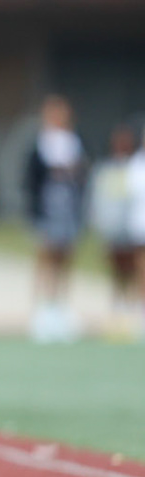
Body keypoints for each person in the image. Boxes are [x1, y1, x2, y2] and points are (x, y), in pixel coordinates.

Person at [24, 94, 86, 344]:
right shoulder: (40, 144)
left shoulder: (74, 142)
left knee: (65, 256)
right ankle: (40, 309)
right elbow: (31, 179)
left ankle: (61, 307)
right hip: (47, 209)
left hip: (68, 207)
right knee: (45, 255)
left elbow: (82, 175)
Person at [92, 124, 140, 338]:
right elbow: (100, 200)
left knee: (134, 269)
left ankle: (133, 309)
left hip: (133, 228)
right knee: (116, 270)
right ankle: (117, 309)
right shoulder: (106, 169)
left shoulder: (135, 167)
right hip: (113, 229)